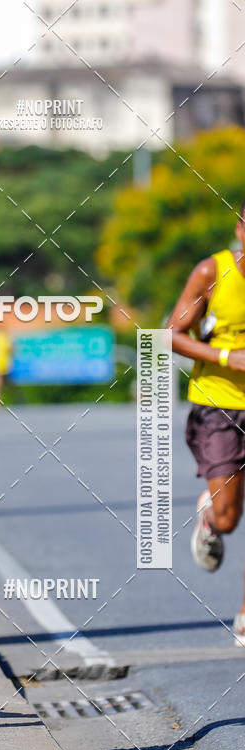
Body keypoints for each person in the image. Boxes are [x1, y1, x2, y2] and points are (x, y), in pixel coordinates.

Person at [168, 203, 245, 647]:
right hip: (219, 408)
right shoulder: (211, 271)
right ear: (240, 230)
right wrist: (225, 356)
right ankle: (211, 517)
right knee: (231, 518)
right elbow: (172, 333)